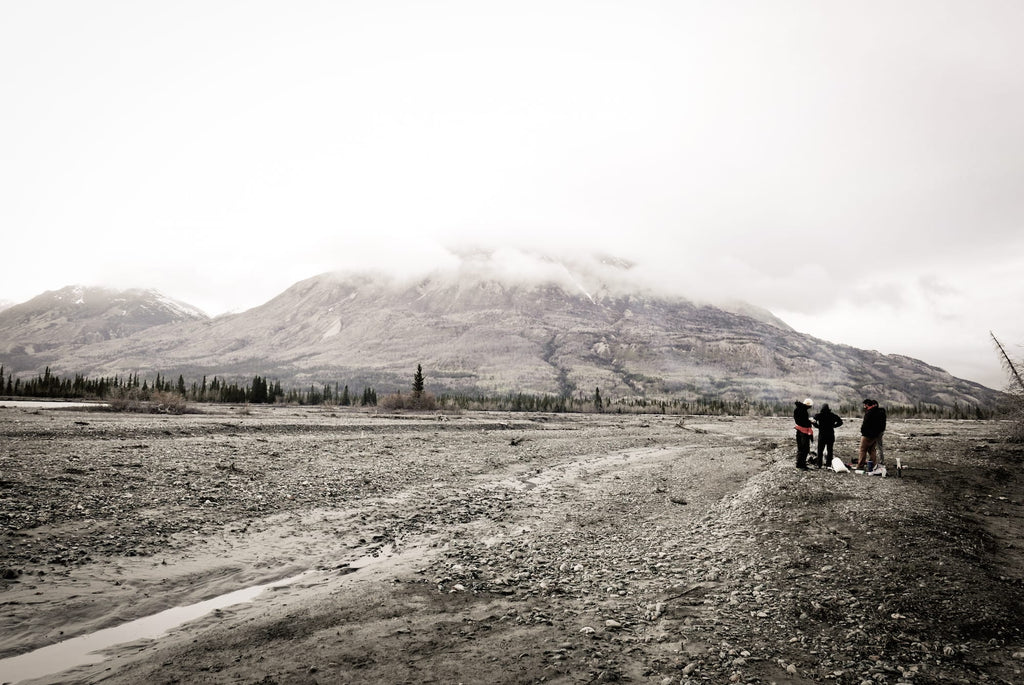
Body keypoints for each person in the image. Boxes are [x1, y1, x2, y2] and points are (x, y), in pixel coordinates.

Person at [855, 398, 887, 471]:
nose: (864, 406)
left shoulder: (869, 412)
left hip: (867, 435)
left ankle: (860, 466)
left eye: (864, 405)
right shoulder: (878, 412)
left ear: (867, 405)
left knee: (862, 450)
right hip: (875, 435)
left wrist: (863, 432)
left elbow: (865, 424)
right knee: (872, 450)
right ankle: (874, 465)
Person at [811, 403, 843, 468]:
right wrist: (834, 426)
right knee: (830, 450)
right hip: (830, 434)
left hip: (822, 435)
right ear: (828, 408)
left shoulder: (819, 415)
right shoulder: (833, 415)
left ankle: (819, 464)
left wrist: (818, 426)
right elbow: (840, 422)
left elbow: (813, 421)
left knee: (820, 450)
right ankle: (828, 464)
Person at [793, 398, 814, 470]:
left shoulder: (797, 409)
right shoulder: (803, 411)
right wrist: (810, 422)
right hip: (804, 432)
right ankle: (801, 465)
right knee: (805, 449)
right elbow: (803, 422)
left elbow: (799, 421)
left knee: (800, 448)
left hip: (799, 431)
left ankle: (799, 464)